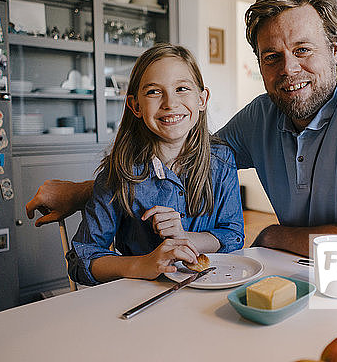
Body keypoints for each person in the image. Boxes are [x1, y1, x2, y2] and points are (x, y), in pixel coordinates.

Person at [27, 0, 337, 269]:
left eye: (304, 49)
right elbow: (182, 152)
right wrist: (88, 191)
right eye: (272, 57)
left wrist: (269, 236)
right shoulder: (263, 114)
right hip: (309, 277)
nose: (289, 69)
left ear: (335, 49)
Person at [65, 44, 244, 285]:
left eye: (182, 88)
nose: (170, 103)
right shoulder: (118, 171)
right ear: (135, 106)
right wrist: (144, 263)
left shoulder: (221, 159)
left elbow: (232, 235)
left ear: (202, 99)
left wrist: (184, 237)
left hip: (211, 290)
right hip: (141, 295)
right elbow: (81, 260)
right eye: (153, 92)